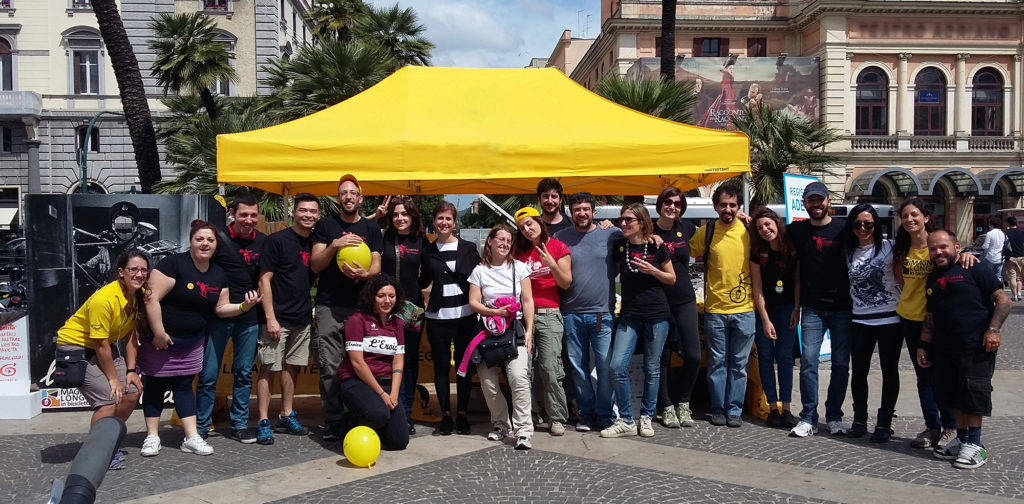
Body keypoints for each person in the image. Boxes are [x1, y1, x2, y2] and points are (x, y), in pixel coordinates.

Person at [139, 220, 261, 457]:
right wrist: (159, 332)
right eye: (200, 239)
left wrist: (243, 307)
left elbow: (221, 309)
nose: (205, 244)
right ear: (191, 241)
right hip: (161, 340)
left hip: (192, 341)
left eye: (210, 240)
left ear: (216, 245)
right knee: (154, 385)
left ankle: (191, 437)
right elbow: (150, 299)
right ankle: (152, 436)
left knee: (185, 388)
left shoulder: (218, 274)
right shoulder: (174, 264)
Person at [919, 229, 1010, 469]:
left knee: (973, 394)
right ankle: (962, 439)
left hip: (975, 345)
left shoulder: (974, 267)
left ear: (956, 246)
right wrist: (923, 345)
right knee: (953, 395)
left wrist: (994, 330)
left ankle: (976, 444)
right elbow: (930, 316)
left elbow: (1003, 300)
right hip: (944, 348)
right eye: (933, 248)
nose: (938, 252)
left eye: (943, 247)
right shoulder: (932, 277)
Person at [893, 197, 978, 450]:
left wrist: (966, 255)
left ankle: (951, 425)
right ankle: (932, 425)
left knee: (944, 375)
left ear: (926, 217)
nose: (909, 219)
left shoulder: (936, 245)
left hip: (938, 321)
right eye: (905, 215)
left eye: (915, 214)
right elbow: (901, 281)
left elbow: (953, 258)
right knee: (923, 376)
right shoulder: (901, 247)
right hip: (910, 317)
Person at [55, 250, 148, 470]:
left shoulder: (137, 296)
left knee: (132, 392)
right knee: (109, 398)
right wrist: (114, 379)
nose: (139, 274)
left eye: (143, 269)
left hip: (103, 348)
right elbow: (101, 345)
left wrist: (131, 370)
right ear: (120, 273)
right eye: (133, 269)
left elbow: (130, 335)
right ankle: (97, 453)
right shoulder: (104, 299)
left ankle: (109, 440)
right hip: (76, 346)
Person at [310, 175, 383, 441]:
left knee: (363, 364)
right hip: (330, 304)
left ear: (360, 198)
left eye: (353, 193)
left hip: (361, 307)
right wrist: (334, 245)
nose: (348, 197)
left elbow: (376, 267)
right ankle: (333, 419)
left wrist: (364, 275)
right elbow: (316, 265)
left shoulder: (371, 229)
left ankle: (360, 413)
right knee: (330, 366)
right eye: (344, 193)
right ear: (338, 198)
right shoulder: (325, 226)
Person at [196, 191, 267, 443]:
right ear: (232, 214)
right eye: (243, 214)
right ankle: (201, 426)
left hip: (249, 317)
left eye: (253, 215)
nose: (249, 220)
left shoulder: (265, 242)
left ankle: (239, 423)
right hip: (219, 316)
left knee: (244, 373)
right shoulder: (218, 240)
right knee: (208, 375)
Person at [600, 203, 675, 439]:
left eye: (628, 220)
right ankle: (626, 419)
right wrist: (607, 225)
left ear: (641, 223)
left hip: (657, 315)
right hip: (630, 315)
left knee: (652, 368)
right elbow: (606, 233)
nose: (623, 223)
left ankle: (646, 416)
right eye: (621, 219)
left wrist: (653, 270)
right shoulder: (620, 245)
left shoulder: (656, 247)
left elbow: (671, 278)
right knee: (616, 367)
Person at [787, 181, 852, 438]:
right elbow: (766, 234)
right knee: (809, 363)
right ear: (804, 203)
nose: (816, 204)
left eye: (820, 200)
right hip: (812, 308)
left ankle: (834, 415)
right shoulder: (797, 230)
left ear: (828, 202)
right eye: (811, 200)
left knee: (840, 364)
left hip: (843, 307)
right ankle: (808, 417)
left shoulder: (844, 228)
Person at [553, 192, 622, 432]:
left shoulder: (611, 233)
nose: (581, 213)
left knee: (605, 367)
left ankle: (605, 414)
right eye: (576, 209)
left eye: (585, 209)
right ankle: (586, 413)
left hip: (602, 312)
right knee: (578, 367)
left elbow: (635, 239)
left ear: (594, 211)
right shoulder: (560, 237)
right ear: (570, 213)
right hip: (571, 312)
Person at [255, 193, 319, 445]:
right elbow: (264, 279)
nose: (308, 215)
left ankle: (286, 413)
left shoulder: (315, 243)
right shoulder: (277, 240)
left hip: (302, 317)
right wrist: (270, 317)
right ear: (294, 211)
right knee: (269, 367)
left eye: (313, 212)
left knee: (292, 366)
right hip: (277, 318)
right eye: (304, 210)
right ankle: (262, 420)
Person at [689, 185, 755, 428]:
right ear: (715, 206)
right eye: (723, 205)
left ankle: (734, 409)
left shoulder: (749, 230)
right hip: (716, 309)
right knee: (717, 363)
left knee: (739, 364)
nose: (728, 209)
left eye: (733, 205)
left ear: (739, 207)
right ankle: (718, 408)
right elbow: (682, 248)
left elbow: (774, 236)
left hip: (745, 309)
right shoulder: (706, 232)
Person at [468, 224, 535, 450]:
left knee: (518, 377)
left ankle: (524, 429)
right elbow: (474, 302)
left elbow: (527, 302)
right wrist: (495, 312)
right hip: (488, 330)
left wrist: (529, 332)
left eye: (509, 240)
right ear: (490, 241)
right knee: (488, 382)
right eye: (501, 240)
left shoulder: (520, 268)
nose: (505, 244)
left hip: (514, 328)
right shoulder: (479, 271)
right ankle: (501, 424)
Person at [421, 201, 480, 435]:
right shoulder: (428, 251)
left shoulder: (468, 248)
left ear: (454, 222)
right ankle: (445, 414)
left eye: (448, 219)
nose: (443, 223)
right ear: (434, 222)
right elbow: (422, 281)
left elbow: (479, 277)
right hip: (437, 317)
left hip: (465, 316)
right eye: (440, 219)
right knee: (442, 367)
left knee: (464, 368)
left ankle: (462, 413)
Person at [843, 204, 901, 442]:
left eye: (868, 224)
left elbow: (924, 248)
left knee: (890, 371)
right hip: (860, 320)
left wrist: (962, 254)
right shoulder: (847, 251)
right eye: (858, 224)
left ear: (876, 225)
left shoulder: (891, 247)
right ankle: (859, 419)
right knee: (859, 372)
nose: (863, 228)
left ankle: (884, 423)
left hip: (890, 318)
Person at [513, 206, 571, 436]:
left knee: (549, 367)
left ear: (539, 221)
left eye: (530, 223)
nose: (527, 230)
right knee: (523, 370)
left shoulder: (557, 246)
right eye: (522, 227)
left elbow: (566, 282)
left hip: (549, 313)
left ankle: (556, 416)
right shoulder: (518, 251)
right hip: (522, 316)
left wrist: (551, 263)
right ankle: (531, 413)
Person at [337, 274, 411, 451]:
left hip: (385, 382)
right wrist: (382, 395)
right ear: (372, 297)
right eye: (381, 296)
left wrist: (393, 393)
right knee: (378, 413)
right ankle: (351, 421)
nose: (387, 301)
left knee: (399, 442)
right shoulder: (357, 320)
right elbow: (357, 363)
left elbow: (398, 360)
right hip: (356, 380)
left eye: (391, 296)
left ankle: (377, 427)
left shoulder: (397, 323)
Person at [651, 187, 700, 428]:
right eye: (668, 202)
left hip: (684, 299)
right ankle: (667, 406)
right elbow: (622, 231)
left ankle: (684, 402)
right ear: (660, 204)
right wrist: (607, 223)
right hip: (659, 301)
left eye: (677, 204)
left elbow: (711, 234)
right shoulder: (648, 229)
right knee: (662, 357)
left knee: (693, 355)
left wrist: (744, 218)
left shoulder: (688, 229)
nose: (672, 206)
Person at [380, 196, 428, 435]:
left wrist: (412, 293)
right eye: (396, 214)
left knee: (408, 363)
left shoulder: (421, 240)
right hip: (384, 310)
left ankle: (406, 412)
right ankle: (386, 409)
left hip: (412, 311)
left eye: (404, 214)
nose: (400, 218)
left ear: (412, 217)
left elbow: (428, 272)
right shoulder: (383, 238)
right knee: (385, 361)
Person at [748, 207, 799, 429]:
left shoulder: (791, 246)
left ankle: (786, 407)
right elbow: (756, 286)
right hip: (764, 310)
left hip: (787, 307)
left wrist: (797, 308)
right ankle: (772, 407)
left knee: (785, 357)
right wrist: (765, 319)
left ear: (777, 223)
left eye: (768, 224)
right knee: (766, 358)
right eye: (759, 227)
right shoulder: (757, 250)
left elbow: (798, 279)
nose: (764, 230)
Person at [1002, 216, 1024, 301]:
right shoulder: (1022, 232)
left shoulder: (1006, 233)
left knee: (1012, 277)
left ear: (1008, 223)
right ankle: (1019, 294)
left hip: (1010, 257)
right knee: (1019, 277)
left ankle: (1014, 295)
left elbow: (1004, 245)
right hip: (1021, 256)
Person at [980, 215, 1006, 282]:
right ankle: (998, 288)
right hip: (1000, 258)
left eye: (989, 224)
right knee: (998, 275)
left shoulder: (989, 233)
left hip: (990, 257)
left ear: (992, 225)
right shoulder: (1002, 233)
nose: (988, 226)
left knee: (986, 274)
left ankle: (988, 289)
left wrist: (981, 246)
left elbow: (985, 246)